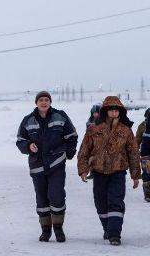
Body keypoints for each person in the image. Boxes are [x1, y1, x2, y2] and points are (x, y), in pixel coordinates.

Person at [77, 96, 141, 246]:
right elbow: (84, 151)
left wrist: (135, 175)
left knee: (116, 202)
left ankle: (114, 234)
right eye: (111, 109)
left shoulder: (126, 130)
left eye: (116, 110)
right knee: (101, 204)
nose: (114, 112)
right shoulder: (93, 129)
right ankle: (107, 228)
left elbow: (133, 153)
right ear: (105, 111)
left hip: (118, 173)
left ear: (120, 112)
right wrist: (83, 170)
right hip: (98, 172)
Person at [16, 91, 78, 243]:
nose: (44, 102)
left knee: (56, 195)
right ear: (36, 103)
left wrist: (69, 153)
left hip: (56, 164)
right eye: (41, 100)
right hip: (37, 167)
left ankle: (58, 228)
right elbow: (20, 140)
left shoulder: (60, 116)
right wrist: (29, 146)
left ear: (50, 102)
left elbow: (72, 136)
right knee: (42, 198)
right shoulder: (28, 120)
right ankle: (45, 230)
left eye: (46, 100)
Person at [137, 108, 150, 202]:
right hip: (145, 154)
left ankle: (148, 195)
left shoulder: (142, 125)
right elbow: (137, 140)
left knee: (147, 173)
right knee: (147, 173)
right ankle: (148, 194)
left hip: (145, 154)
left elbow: (137, 140)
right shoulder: (142, 126)